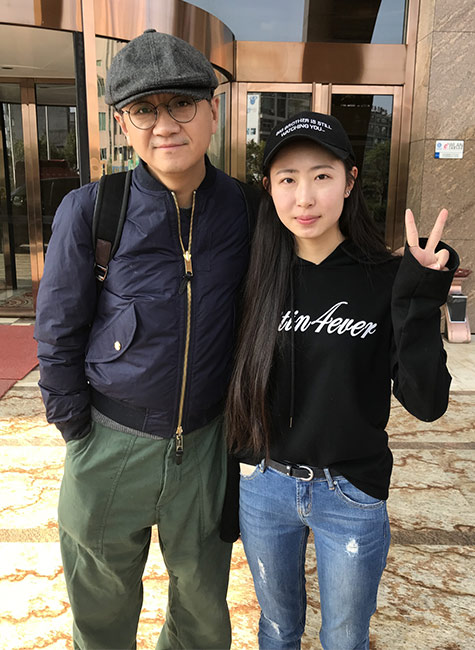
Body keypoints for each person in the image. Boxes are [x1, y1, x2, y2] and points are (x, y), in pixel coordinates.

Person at [34, 30, 251, 650]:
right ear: (122, 124)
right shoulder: (92, 209)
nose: (165, 125)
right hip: (110, 441)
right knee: (100, 605)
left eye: (181, 103)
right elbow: (58, 328)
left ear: (213, 110)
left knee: (203, 607)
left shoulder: (247, 209)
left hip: (206, 444)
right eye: (143, 109)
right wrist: (76, 429)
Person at [226, 111, 458, 650]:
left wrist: (420, 300)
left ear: (350, 181)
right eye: (287, 179)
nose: (304, 198)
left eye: (322, 176)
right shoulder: (255, 274)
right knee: (277, 628)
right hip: (266, 486)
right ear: (269, 188)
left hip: (350, 493)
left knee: (345, 637)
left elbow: (426, 403)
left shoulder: (384, 278)